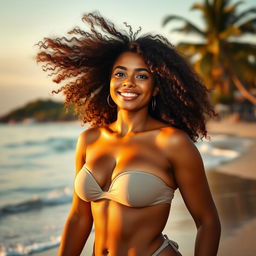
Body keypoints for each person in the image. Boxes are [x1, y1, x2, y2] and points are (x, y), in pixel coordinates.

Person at [36, 12, 221, 256]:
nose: (128, 83)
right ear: (109, 81)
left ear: (156, 88)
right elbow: (79, 217)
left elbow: (208, 222)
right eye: (120, 73)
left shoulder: (172, 142)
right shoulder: (90, 140)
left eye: (142, 76)